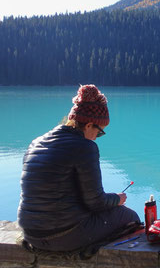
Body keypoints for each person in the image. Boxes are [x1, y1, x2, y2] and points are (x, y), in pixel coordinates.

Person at [18, 84, 140, 252]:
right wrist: (117, 199)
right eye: (100, 133)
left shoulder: (36, 142)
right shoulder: (84, 147)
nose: (97, 138)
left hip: (31, 234)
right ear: (89, 125)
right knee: (129, 216)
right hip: (62, 236)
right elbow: (96, 203)